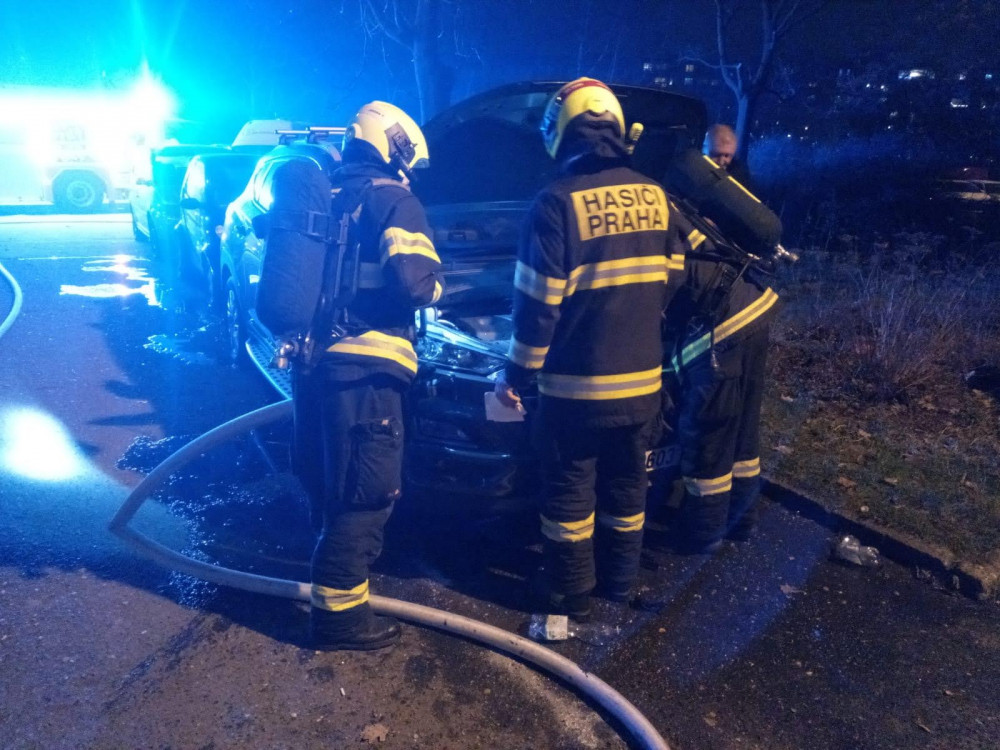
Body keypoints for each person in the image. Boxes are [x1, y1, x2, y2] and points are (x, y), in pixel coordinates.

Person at [494, 78, 682, 620]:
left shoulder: (554, 205)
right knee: (628, 491)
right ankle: (618, 586)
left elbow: (537, 308)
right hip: (643, 385)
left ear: (561, 133)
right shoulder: (655, 194)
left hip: (575, 392)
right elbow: (671, 278)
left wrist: (516, 378)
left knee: (570, 496)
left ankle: (570, 593)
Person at [293, 101, 444, 650]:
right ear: (393, 145)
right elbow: (415, 283)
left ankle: (330, 588)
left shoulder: (327, 195)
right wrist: (439, 286)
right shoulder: (392, 199)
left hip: (315, 367)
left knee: (330, 484)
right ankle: (338, 621)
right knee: (365, 495)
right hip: (368, 371)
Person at [650, 202, 778, 554]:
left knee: (708, 431)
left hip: (722, 326)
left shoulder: (651, 225)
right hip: (752, 308)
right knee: (741, 432)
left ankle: (701, 535)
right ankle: (741, 520)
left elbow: (656, 300)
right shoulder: (671, 206)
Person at [704, 123, 755, 193]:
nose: (721, 162)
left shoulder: (740, 175)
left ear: (733, 152)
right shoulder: (692, 165)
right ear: (704, 149)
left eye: (726, 155)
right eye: (716, 154)